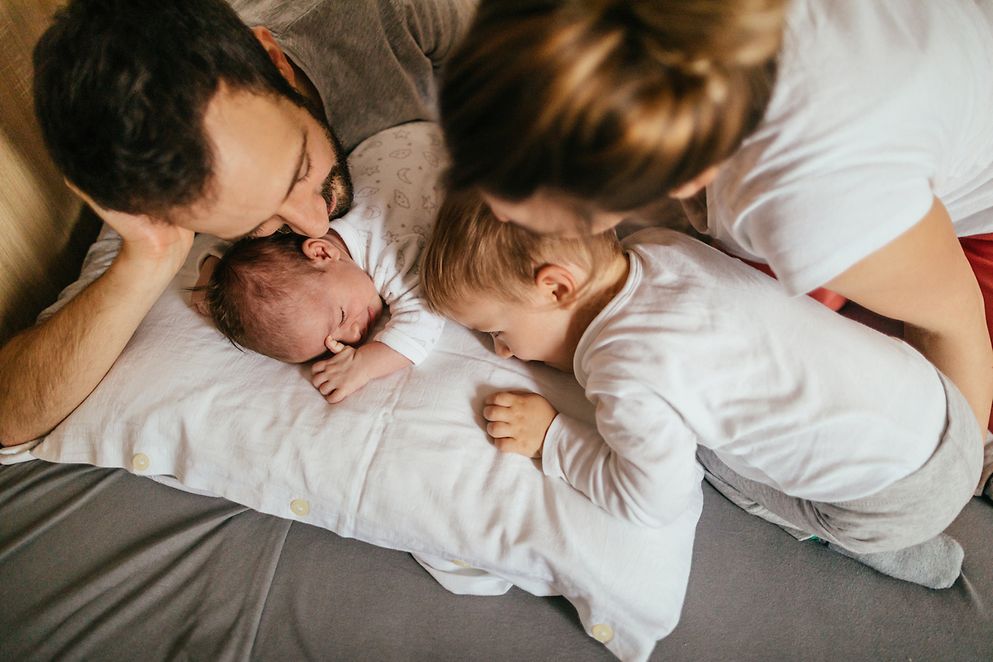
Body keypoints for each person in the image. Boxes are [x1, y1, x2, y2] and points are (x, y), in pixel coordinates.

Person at [437, 0, 993, 496]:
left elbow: (954, 317)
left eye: (512, 204)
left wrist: (942, 483)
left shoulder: (804, 196)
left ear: (679, 181)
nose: (496, 210)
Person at [419, 191, 984, 589]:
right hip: (947, 402)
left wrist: (553, 438)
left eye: (498, 330)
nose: (502, 351)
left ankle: (908, 556)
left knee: (710, 459)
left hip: (889, 507)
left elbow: (649, 500)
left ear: (557, 285)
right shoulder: (658, 244)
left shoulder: (626, 377)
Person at [0, 0, 474, 446]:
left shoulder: (371, 14)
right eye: (256, 225)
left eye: (301, 170)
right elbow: (11, 418)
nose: (314, 224)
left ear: (275, 63)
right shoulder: (173, 192)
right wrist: (151, 257)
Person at [205, 122, 446, 403]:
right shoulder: (311, 215)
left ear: (321, 253)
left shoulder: (390, 258)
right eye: (336, 343)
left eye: (342, 316)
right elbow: (242, 242)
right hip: (409, 136)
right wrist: (210, 262)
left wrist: (364, 365)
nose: (355, 334)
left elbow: (423, 319)